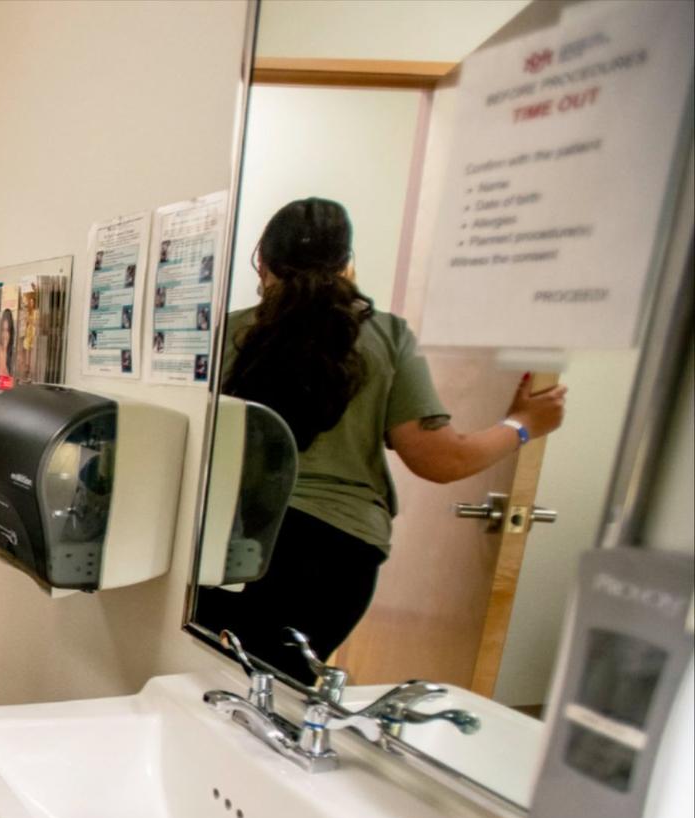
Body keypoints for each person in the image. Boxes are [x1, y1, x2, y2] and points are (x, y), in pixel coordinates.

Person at [197, 197, 567, 678]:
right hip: (334, 554)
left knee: (212, 682)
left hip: (236, 539)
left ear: (262, 262)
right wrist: (524, 425)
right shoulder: (384, 336)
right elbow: (439, 459)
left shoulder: (225, 333)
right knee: (283, 691)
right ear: (346, 264)